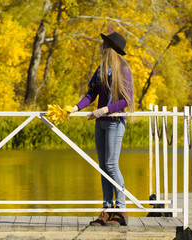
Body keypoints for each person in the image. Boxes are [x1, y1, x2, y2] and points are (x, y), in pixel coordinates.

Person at [71, 31, 134, 226]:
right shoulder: (101, 69)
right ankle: (107, 209)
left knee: (111, 165)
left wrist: (104, 110)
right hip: (101, 123)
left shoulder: (123, 69)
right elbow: (91, 94)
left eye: (103, 44)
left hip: (115, 121)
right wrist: (74, 108)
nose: (101, 46)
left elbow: (127, 100)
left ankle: (121, 211)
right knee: (103, 166)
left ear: (110, 48)